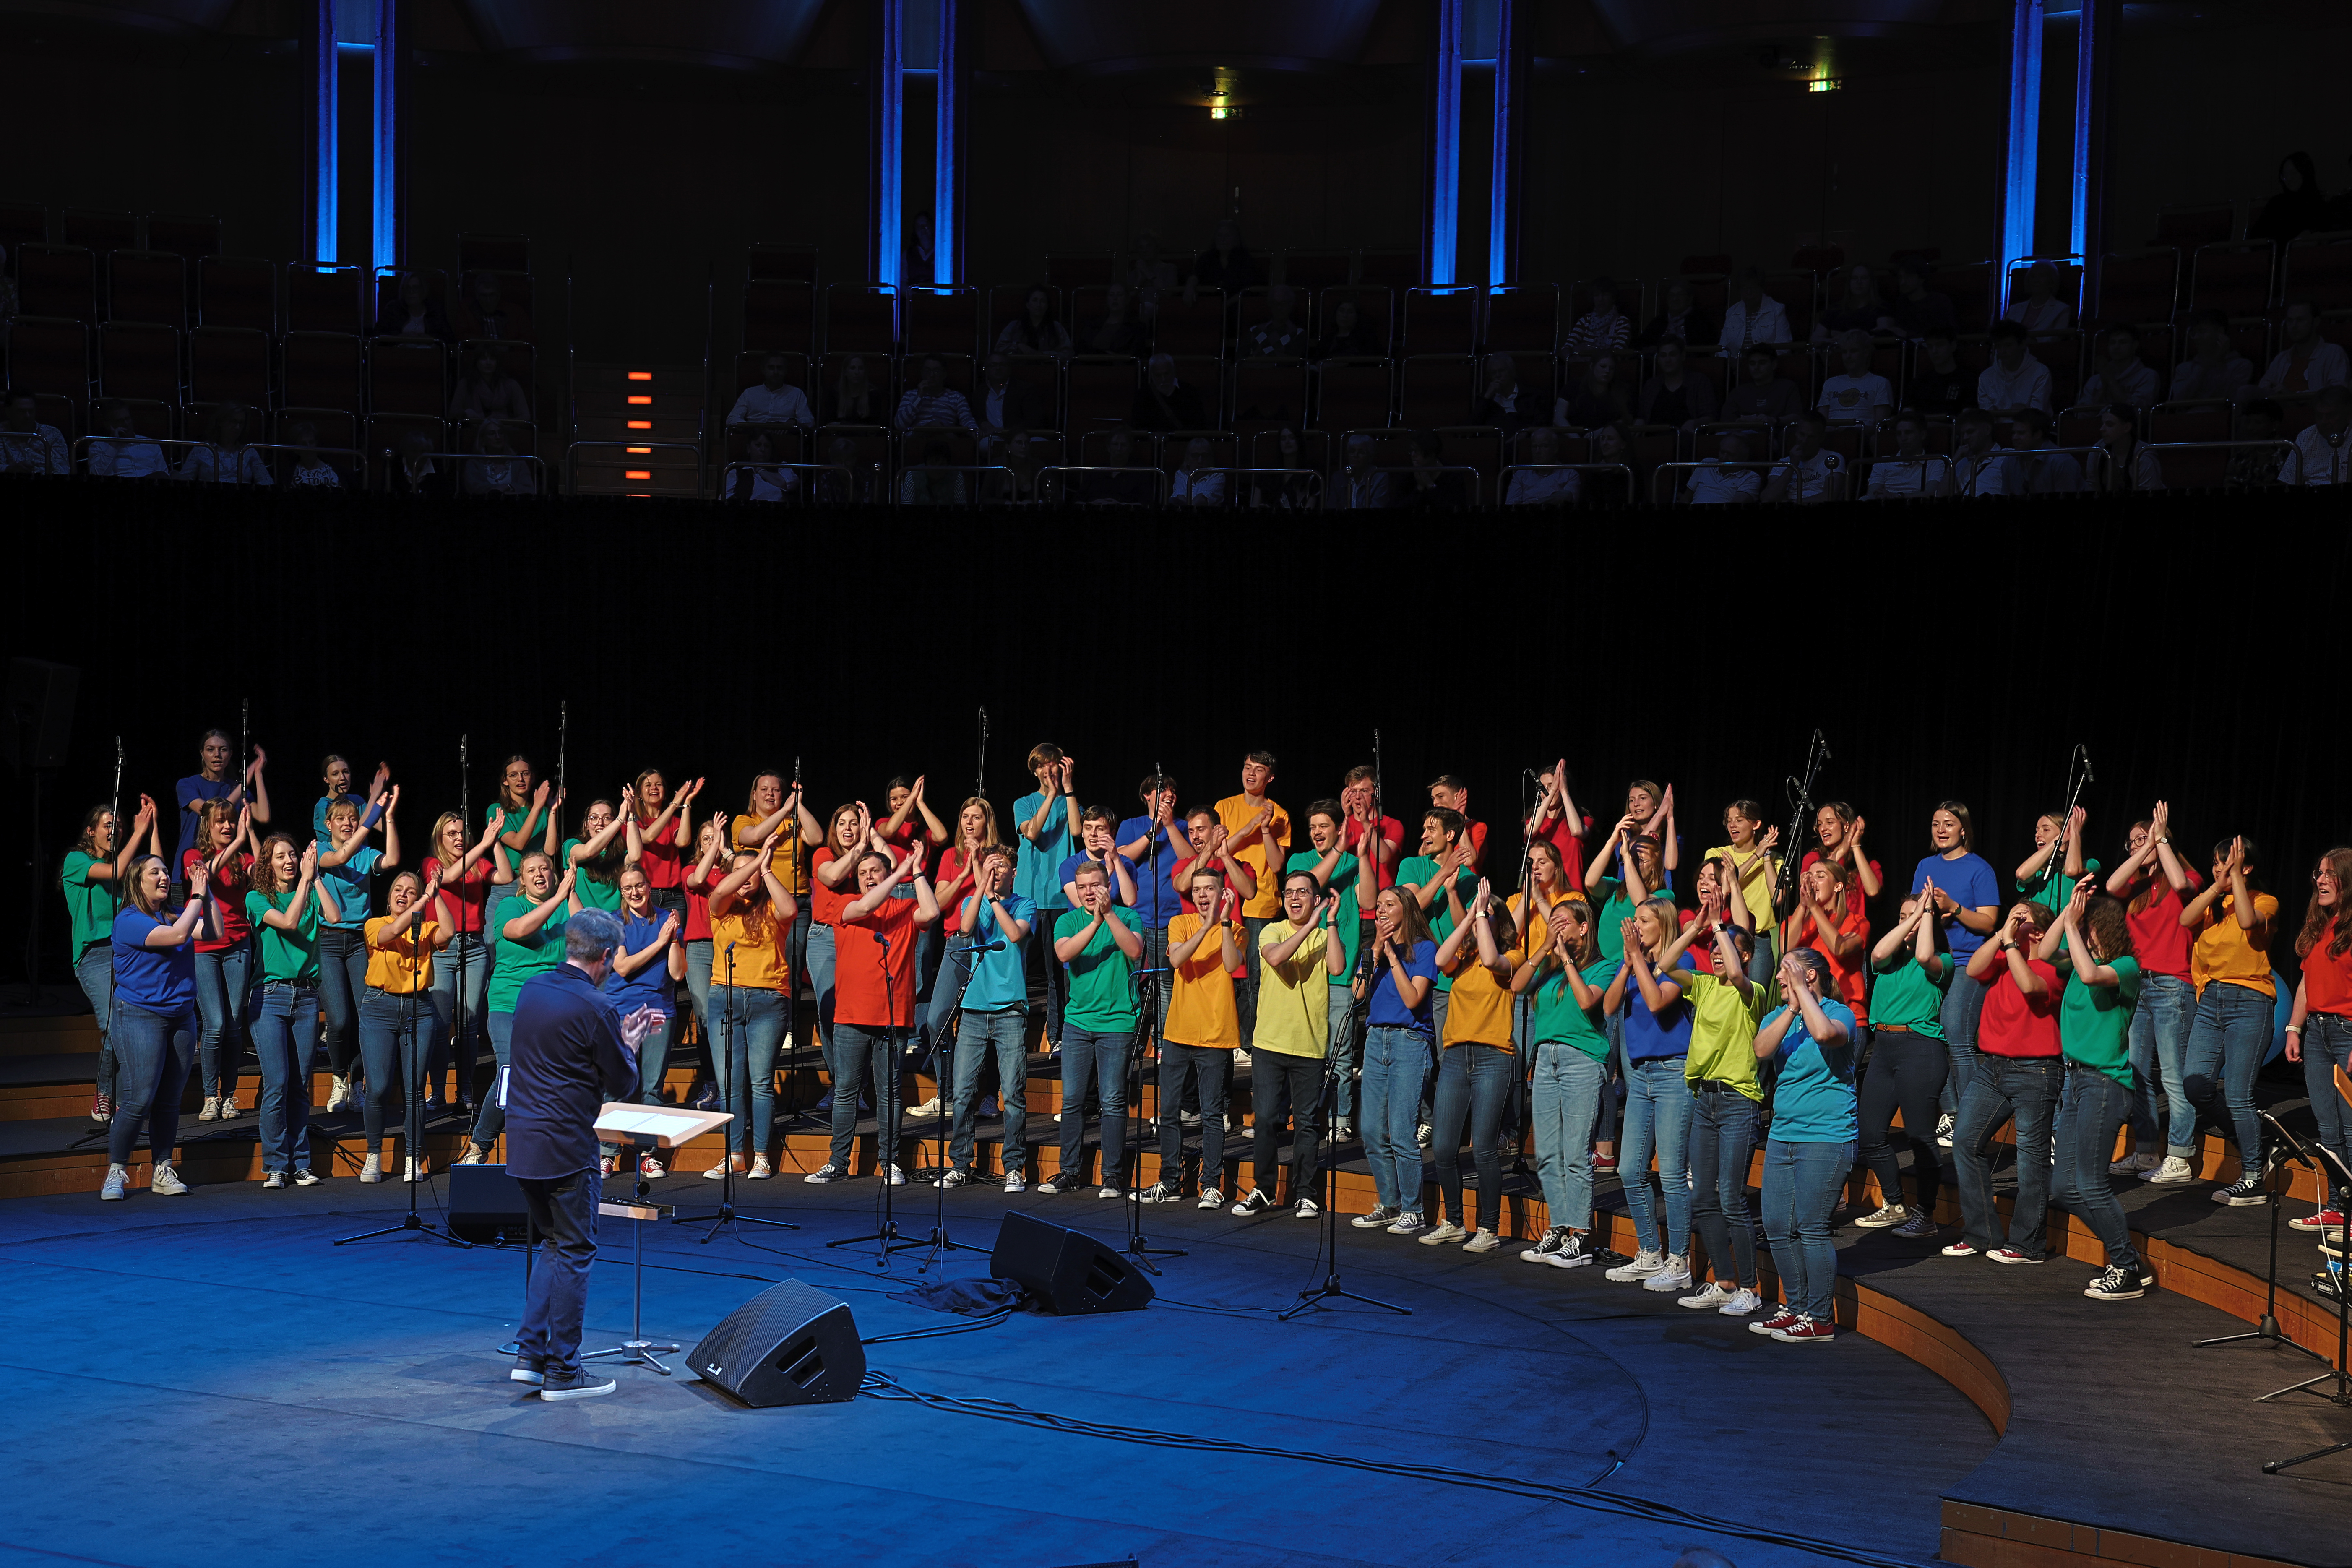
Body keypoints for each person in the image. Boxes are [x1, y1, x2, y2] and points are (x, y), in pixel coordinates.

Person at [503, 907, 659, 1402]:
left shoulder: (532, 990)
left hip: (524, 1142)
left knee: (554, 1245)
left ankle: (531, 1357)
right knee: (574, 1251)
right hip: (567, 1147)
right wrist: (628, 1043)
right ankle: (564, 1372)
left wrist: (616, 1037)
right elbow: (623, 1082)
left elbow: (558, 1058)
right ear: (608, 956)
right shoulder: (596, 1008)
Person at [2043, 885, 2149, 1300]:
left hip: (2105, 1084)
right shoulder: (2075, 962)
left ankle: (2125, 1267)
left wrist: (2073, 921)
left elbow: (2091, 974)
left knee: (2089, 1183)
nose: (2079, 936)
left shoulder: (2125, 968)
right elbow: (2043, 953)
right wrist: (2068, 913)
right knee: (2064, 1188)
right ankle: (2126, 1261)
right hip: (2076, 1082)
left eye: (2086, 929)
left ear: (2099, 929)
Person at [1657, 908, 1765, 1313]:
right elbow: (1666, 963)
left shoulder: (1751, 989)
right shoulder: (1702, 985)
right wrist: (1697, 929)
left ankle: (1749, 1290)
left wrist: (1719, 929)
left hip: (1738, 1101)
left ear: (1746, 956)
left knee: (1731, 1198)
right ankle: (1724, 1281)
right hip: (1704, 1100)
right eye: (1714, 951)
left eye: (1726, 950)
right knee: (1702, 1195)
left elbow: (1736, 976)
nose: (1717, 955)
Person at [1945, 900, 2063, 1263]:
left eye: (2021, 918)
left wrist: (2011, 945)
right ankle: (1980, 1234)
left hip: (2035, 1070)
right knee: (1965, 1142)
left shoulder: (2054, 963)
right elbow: (1973, 970)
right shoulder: (2000, 956)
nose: (2013, 920)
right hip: (1992, 1068)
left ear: (2040, 932)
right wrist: (2001, 937)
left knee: (2031, 1159)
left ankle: (2028, 1245)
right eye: (2011, 915)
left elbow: (2030, 988)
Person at [1750, 948, 1858, 1344]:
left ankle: (1819, 1319)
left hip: (1826, 1137)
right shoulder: (1780, 1016)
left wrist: (1805, 998)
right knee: (1778, 1227)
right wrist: (1792, 1008)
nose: (1778, 978)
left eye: (1786, 971)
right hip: (1782, 1135)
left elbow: (1827, 1035)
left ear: (1810, 975)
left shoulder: (1837, 1013)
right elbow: (1761, 1050)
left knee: (1811, 1228)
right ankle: (1795, 1308)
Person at [99, 853, 216, 1201]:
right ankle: (116, 1170)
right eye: (156, 872)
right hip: (139, 1014)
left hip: (180, 1015)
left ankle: (162, 1168)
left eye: (166, 871)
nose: (164, 876)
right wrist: (196, 895)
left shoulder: (174, 914)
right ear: (138, 881)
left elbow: (214, 931)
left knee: (169, 1100)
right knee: (139, 1097)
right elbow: (178, 936)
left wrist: (206, 893)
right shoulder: (129, 921)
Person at [823, 844, 940, 1188]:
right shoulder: (845, 905)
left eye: (875, 871)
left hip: (892, 1015)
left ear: (887, 875)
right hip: (851, 1015)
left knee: (890, 1093)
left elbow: (931, 912)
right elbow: (868, 906)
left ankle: (890, 1164)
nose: (869, 877)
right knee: (845, 1092)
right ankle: (837, 1162)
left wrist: (917, 871)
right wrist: (903, 870)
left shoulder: (905, 909)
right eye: (863, 873)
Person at [2102, 803, 2202, 1185]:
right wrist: (2146, 848)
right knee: (2138, 1073)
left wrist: (2159, 839)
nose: (2134, 848)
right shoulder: (2137, 888)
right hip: (2138, 986)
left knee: (2174, 1076)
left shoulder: (2184, 875)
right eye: (2130, 844)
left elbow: (2181, 885)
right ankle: (2145, 1152)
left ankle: (2179, 1156)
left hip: (2172, 985)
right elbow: (2111, 886)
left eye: (2140, 841)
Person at [1135, 869, 1247, 1206]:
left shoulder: (1236, 929)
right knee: (1168, 1111)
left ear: (1221, 892)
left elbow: (1230, 965)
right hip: (1178, 1031)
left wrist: (1222, 923)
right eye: (1197, 889)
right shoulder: (1181, 924)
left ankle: (1210, 1184)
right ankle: (1169, 1182)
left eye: (1208, 889)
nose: (1201, 895)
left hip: (1215, 1033)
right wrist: (1205, 924)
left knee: (1212, 1113)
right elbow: (1178, 958)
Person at [1418, 877, 1519, 1251]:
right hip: (1457, 1056)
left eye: (1487, 913)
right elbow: (1440, 960)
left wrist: (1483, 916)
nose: (1481, 917)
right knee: (1443, 1148)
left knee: (1483, 1150)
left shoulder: (1513, 954)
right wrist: (1470, 917)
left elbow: (1493, 959)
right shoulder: (1462, 958)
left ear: (1499, 920)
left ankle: (1488, 1229)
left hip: (1494, 1057)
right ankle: (1455, 1221)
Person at [1513, 897, 1614, 1268]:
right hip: (1545, 1059)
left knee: (1575, 1153)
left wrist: (1568, 960)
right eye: (1551, 922)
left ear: (1583, 928)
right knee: (1547, 1154)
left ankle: (1580, 1235)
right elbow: (1517, 984)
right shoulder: (1550, 969)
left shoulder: (1603, 967)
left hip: (1581, 1061)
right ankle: (1558, 1227)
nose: (1555, 928)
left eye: (1563, 922)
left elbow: (1589, 1003)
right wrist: (1543, 948)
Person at [1602, 896, 1696, 1289]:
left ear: (1664, 925)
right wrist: (1626, 965)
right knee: (1629, 1170)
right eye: (1634, 920)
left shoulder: (1682, 963)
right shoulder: (1633, 963)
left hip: (1674, 1072)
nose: (1635, 927)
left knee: (1672, 1174)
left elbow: (1657, 1003)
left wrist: (1638, 962)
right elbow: (1608, 1007)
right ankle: (1649, 1252)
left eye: (1643, 921)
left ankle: (1680, 1261)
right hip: (1639, 1076)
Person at [2181, 835, 2277, 1207]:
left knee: (2239, 1095)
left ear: (2246, 868)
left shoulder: (2263, 901)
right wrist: (2215, 887)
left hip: (2249, 1002)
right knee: (2195, 1085)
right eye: (2216, 864)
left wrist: (2234, 880)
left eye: (2228, 863)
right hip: (2210, 1002)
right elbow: (2184, 919)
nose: (2219, 869)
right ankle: (2250, 1141)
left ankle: (2253, 1176)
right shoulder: (2213, 905)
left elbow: (2247, 921)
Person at [461, 851, 573, 1166]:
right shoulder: (511, 905)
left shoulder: (564, 906)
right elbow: (520, 930)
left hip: (550, 1009)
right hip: (509, 1004)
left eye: (546, 869)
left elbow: (586, 935)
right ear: (521, 880)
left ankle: (543, 1149)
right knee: (512, 1070)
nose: (540, 874)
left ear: (554, 875)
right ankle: (480, 1145)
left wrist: (571, 892)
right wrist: (559, 898)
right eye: (531, 870)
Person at [935, 845, 1034, 1192]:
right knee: (962, 1093)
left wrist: (994, 898)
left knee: (1014, 1093)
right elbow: (964, 929)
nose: (996, 872)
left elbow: (1015, 935)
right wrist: (981, 887)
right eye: (991, 866)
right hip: (974, 1011)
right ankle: (960, 1164)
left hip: (1009, 1010)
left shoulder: (1024, 904)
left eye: (1002, 866)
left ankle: (1014, 1167)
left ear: (1013, 872)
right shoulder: (971, 902)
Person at [1043, 856, 1144, 1197]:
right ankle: (1069, 1172)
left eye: (1095, 886)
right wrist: (1095, 921)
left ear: (1108, 886)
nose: (1089, 892)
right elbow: (1064, 954)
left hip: (1117, 1022)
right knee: (1071, 1100)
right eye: (1082, 887)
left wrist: (1109, 915)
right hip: (1078, 1023)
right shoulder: (1068, 920)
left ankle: (1113, 1176)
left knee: (1113, 1100)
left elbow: (1134, 950)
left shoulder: (1128, 916)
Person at [1853, 890, 1951, 1237]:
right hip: (1883, 1048)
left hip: (1920, 1048)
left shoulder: (1941, 960)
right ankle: (1895, 1204)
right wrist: (1915, 915)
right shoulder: (1888, 959)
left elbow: (1924, 954)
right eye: (1901, 916)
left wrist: (1926, 914)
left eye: (1918, 915)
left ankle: (1925, 1214)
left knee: (1920, 1136)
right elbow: (1878, 951)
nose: (1908, 922)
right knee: (1870, 1134)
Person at [247, 834, 339, 1186]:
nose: (289, 860)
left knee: (300, 1084)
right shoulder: (257, 898)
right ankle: (275, 1165)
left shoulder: (311, 889)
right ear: (268, 864)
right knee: (278, 1084)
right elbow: (287, 922)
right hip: (270, 996)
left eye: (294, 854)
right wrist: (304, 881)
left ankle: (301, 1162)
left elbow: (334, 915)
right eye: (281, 856)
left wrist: (314, 878)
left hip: (305, 997)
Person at [1285, 801, 1375, 1155]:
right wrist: (1339, 849)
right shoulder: (1300, 862)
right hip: (1305, 974)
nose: (1317, 832)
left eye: (1324, 825)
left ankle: (1340, 1122)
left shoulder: (1352, 863)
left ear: (1339, 828)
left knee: (1338, 1053)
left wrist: (1363, 856)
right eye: (1313, 827)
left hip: (1339, 977)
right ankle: (1308, 1118)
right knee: (1306, 1052)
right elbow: (1309, 885)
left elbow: (1367, 900)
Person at [703, 839, 797, 1179]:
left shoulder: (771, 906)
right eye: (741, 871)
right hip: (724, 998)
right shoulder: (722, 907)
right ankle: (733, 1155)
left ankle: (760, 1156)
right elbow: (717, 892)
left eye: (753, 872)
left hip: (767, 1000)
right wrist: (751, 863)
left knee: (760, 1083)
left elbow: (791, 911)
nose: (748, 876)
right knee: (729, 1085)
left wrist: (767, 868)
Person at [1348, 885, 1438, 1234]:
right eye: (1379, 906)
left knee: (1402, 1131)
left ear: (1407, 911)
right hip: (1375, 1039)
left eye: (1390, 905)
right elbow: (1357, 996)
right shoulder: (1372, 952)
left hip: (1408, 1041)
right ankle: (1390, 1203)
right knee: (1371, 1130)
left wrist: (1393, 956)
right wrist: (1374, 952)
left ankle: (1413, 1210)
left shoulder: (1424, 949)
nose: (1381, 910)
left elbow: (1414, 998)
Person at [1913, 800, 2002, 1138]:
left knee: (1958, 1036)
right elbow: (1915, 911)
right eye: (1936, 824)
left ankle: (1972, 1118)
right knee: (1932, 1036)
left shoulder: (1979, 868)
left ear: (1963, 829)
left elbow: (1989, 922)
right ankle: (1952, 1112)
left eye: (1948, 824)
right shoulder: (1925, 865)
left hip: (1969, 962)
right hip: (1934, 959)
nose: (1940, 830)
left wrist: (1954, 907)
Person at [359, 867, 447, 1183]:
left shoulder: (426, 928)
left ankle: (413, 1157)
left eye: (411, 891)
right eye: (399, 889)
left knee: (415, 1090)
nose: (404, 894)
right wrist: (423, 898)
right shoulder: (375, 924)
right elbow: (391, 933)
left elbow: (447, 934)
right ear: (389, 897)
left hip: (419, 1007)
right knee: (379, 1087)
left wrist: (437, 898)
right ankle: (373, 1155)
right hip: (378, 1007)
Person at [596, 865, 686, 1177]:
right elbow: (622, 967)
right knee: (617, 1085)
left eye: (639, 885)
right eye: (628, 888)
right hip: (622, 1011)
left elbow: (677, 973)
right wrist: (660, 943)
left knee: (652, 1087)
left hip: (658, 1010)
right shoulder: (614, 922)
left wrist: (673, 939)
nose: (634, 892)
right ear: (622, 892)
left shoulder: (667, 920)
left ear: (650, 886)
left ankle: (649, 1153)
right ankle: (608, 1152)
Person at [65, 799, 148, 1124]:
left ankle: (130, 1096)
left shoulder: (125, 867)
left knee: (135, 1024)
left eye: (120, 826)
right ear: (91, 832)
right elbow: (114, 872)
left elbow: (150, 869)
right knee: (114, 1026)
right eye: (108, 826)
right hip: (95, 955)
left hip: (127, 951)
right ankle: (105, 1092)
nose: (115, 831)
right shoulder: (76, 860)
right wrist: (138, 832)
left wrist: (149, 829)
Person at [423, 806, 509, 1115]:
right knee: (440, 1025)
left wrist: (495, 840)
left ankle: (465, 1091)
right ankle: (436, 1092)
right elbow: (450, 876)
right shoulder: (431, 863)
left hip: (474, 948)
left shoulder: (477, 862)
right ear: (440, 838)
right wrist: (483, 844)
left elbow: (506, 876)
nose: (459, 838)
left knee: (469, 1024)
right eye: (452, 834)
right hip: (443, 949)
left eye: (462, 833)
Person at [2285, 847, 2352, 1233]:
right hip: (2317, 1035)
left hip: (2347, 1033)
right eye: (2319, 873)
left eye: (2330, 874)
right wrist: (2294, 1029)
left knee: (2350, 1128)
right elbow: (2307, 984)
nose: (2320, 880)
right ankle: (2336, 1207)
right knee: (2327, 1130)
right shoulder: (2319, 925)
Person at [316, 790, 396, 1112]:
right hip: (328, 940)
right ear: (328, 824)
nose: (348, 824)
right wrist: (372, 814)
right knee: (338, 1021)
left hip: (360, 940)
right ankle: (339, 1080)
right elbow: (338, 859)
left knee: (368, 1016)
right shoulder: (320, 849)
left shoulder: (365, 853)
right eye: (341, 819)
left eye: (353, 819)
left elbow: (390, 860)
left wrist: (387, 818)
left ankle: (358, 1084)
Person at [183, 800, 256, 1120]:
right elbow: (207, 876)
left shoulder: (244, 858)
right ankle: (210, 1095)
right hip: (205, 949)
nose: (227, 827)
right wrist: (239, 840)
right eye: (221, 822)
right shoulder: (193, 856)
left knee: (234, 1024)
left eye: (231, 822)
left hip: (238, 945)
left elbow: (265, 874)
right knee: (214, 1024)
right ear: (208, 826)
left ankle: (229, 1097)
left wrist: (250, 833)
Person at [1214, 751, 1290, 1048]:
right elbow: (1219, 849)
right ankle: (1230, 1038)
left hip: (1261, 905)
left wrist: (1266, 828)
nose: (1251, 774)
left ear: (1269, 778)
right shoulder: (1224, 806)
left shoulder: (1279, 813)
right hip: (1225, 899)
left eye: (1258, 770)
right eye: (1247, 767)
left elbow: (1276, 864)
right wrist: (1248, 830)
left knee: (1256, 979)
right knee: (1228, 973)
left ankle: (1253, 1042)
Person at [2258, 300, 2351, 397]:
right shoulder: (2281, 358)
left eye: (2300, 320)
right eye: (2290, 320)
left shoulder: (2333, 353)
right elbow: (2263, 388)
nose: (2294, 326)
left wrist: (2293, 397)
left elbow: (2337, 392)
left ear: (2316, 322)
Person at [2166, 308, 2254, 403]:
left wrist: (2220, 361)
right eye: (2193, 333)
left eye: (2202, 332)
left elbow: (2228, 401)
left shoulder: (2242, 366)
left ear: (2220, 333)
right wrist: (2204, 367)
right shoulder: (2184, 369)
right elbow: (2178, 401)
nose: (2196, 338)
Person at [178, 402, 273, 486]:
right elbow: (185, 482)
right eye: (233, 422)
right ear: (220, 422)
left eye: (241, 423)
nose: (238, 427)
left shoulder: (249, 451)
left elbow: (266, 481)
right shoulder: (202, 449)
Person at [1763, 412, 1847, 503]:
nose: (1805, 441)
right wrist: (1792, 466)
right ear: (1796, 434)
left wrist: (1793, 505)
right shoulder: (1783, 463)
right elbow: (1767, 499)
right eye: (1802, 435)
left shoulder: (1832, 459)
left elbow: (1830, 496)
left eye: (1811, 437)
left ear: (1822, 438)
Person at [1864, 410, 1950, 498]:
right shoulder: (1883, 463)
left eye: (1908, 433)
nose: (1903, 438)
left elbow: (1931, 495)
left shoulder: (1935, 462)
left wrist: (1895, 497)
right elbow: (1873, 495)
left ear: (1923, 435)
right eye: (1899, 434)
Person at [1816, 330, 1893, 425]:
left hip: (1863, 436)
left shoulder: (1880, 383)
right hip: (1831, 435)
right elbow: (1820, 423)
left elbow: (1880, 426)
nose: (1848, 357)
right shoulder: (1831, 383)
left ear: (1866, 353)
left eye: (1854, 351)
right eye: (1844, 352)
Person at [1978, 321, 2053, 417]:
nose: (2002, 351)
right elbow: (1987, 419)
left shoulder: (2040, 373)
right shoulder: (1986, 377)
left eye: (2008, 346)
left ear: (2022, 344)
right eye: (1998, 346)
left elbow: (2037, 417)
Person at [2252, 151, 2329, 245]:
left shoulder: (2317, 204)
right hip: (2271, 254)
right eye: (2285, 175)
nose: (2289, 179)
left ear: (2305, 173)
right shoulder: (2276, 202)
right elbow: (2257, 233)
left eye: (2293, 173)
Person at [2282, 384, 2352, 485]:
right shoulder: (2306, 436)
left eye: (2331, 415)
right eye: (2319, 416)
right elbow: (2288, 481)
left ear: (2348, 414)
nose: (2324, 421)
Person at [725, 352, 815, 429]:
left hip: (785, 435)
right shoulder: (749, 393)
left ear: (786, 371)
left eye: (780, 368)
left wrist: (794, 422)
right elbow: (732, 419)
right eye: (771, 368)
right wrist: (750, 427)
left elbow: (809, 421)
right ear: (763, 370)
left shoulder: (797, 394)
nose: (776, 372)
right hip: (754, 435)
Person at [1722, 344, 1804, 426]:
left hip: (1777, 434)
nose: (1756, 368)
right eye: (1752, 364)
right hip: (1742, 435)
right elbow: (1726, 422)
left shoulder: (1788, 387)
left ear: (1774, 365)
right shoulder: (1738, 392)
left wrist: (1774, 420)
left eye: (1762, 363)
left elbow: (1796, 416)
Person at [2080, 325, 2158, 411]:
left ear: (2135, 346)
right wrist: (2103, 388)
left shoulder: (2147, 376)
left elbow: (2134, 411)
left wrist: (2110, 380)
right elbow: (2082, 415)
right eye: (2113, 343)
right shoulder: (2095, 380)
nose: (2117, 347)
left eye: (2123, 343)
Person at [974, 352, 1042, 450]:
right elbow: (976, 416)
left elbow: (1033, 420)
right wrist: (982, 423)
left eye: (1002, 365)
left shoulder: (1025, 389)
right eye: (993, 365)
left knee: (1040, 442)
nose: (998, 368)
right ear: (987, 369)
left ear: (1009, 368)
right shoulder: (980, 392)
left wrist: (1006, 431)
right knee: (985, 444)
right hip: (994, 438)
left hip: (1022, 436)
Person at [87, 399, 169, 479]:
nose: (126, 424)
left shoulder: (151, 444)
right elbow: (96, 475)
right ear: (109, 425)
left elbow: (165, 475)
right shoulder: (98, 446)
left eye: (128, 419)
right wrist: (113, 447)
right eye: (120, 421)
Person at [2008, 408, 2084, 493]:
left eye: (2021, 433)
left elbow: (2066, 504)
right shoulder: (2009, 461)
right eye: (2013, 433)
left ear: (2038, 434)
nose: (2014, 438)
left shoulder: (2063, 462)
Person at [1718, 267, 1792, 352]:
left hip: (1766, 363)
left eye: (1753, 288)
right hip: (1737, 363)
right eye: (1745, 289)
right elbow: (1723, 347)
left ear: (1761, 288)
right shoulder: (1732, 312)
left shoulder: (1777, 310)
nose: (1749, 293)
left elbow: (1784, 347)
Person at [893, 356, 977, 432]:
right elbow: (900, 425)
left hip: (946, 439)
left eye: (936, 371)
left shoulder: (957, 397)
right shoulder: (910, 395)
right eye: (927, 371)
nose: (932, 375)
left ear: (944, 374)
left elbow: (968, 420)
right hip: (918, 440)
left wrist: (975, 431)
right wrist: (919, 397)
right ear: (922, 374)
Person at [1952, 407, 2022, 496]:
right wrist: (1954, 461)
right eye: (1963, 434)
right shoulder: (1961, 463)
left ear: (1987, 430)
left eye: (1970, 432)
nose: (1965, 438)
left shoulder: (2007, 456)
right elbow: (1942, 495)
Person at [451, 347, 532, 424]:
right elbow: (454, 412)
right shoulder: (466, 383)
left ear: (498, 362)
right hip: (474, 428)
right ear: (476, 362)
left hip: (504, 430)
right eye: (483, 359)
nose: (488, 363)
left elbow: (525, 416)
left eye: (492, 359)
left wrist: (505, 424)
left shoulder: (511, 385)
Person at [1505, 426, 1581, 507]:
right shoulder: (1521, 474)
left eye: (1544, 446)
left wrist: (1534, 505)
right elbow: (1511, 506)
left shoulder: (1570, 474)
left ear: (1555, 449)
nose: (1538, 451)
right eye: (1535, 447)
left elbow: (1566, 497)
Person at [1881, 259, 1956, 340]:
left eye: (1908, 277)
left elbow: (1948, 333)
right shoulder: (1900, 303)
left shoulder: (1940, 301)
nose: (1903, 282)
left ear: (1922, 278)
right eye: (1900, 278)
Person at [1130, 353, 1207, 431]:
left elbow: (1199, 423)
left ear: (1174, 370)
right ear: (1152, 375)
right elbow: (1138, 425)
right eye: (1158, 376)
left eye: (1166, 374)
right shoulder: (1143, 395)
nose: (1163, 379)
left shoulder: (1190, 392)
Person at [1909, 326, 1975, 416]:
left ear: (1953, 346)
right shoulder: (1919, 382)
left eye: (1940, 345)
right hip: (1922, 429)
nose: (1934, 351)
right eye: (1930, 347)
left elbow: (1968, 418)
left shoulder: (1968, 380)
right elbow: (1908, 414)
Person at [1680, 431, 1761, 504]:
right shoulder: (1707, 463)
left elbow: (1736, 507)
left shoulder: (1751, 478)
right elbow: (1687, 497)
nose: (1724, 457)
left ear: (1743, 458)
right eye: (1722, 452)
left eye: (1731, 455)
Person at [1556, 350, 1631, 429]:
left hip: (1607, 438)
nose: (1607, 371)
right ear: (1592, 366)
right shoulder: (1574, 386)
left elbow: (1625, 419)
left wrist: (1600, 433)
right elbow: (1559, 417)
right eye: (1603, 366)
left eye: (1612, 368)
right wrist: (1574, 436)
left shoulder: (1621, 391)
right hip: (1575, 436)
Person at [0, 389, 68, 475]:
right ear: (8, 412)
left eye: (31, 411)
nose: (27, 416)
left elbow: (62, 469)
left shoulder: (52, 434)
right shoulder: (2, 433)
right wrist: (9, 469)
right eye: (21, 412)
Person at [370, 271, 451, 340]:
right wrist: (399, 338)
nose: (412, 292)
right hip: (398, 352)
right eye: (408, 288)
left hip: (429, 353)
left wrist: (429, 338)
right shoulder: (394, 308)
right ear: (403, 291)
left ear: (423, 291)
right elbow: (377, 334)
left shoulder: (435, 310)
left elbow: (448, 337)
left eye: (416, 288)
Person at [462, 419, 534, 496]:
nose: (498, 437)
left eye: (501, 433)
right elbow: (475, 489)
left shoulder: (519, 462)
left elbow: (529, 489)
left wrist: (508, 487)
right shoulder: (474, 464)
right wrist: (499, 490)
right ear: (483, 440)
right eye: (492, 433)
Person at [1813, 263, 1884, 341]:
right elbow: (1815, 339)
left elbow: (1883, 338)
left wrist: (1847, 337)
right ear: (1849, 283)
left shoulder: (1881, 309)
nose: (1859, 282)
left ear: (1871, 282)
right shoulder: (1835, 310)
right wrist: (1834, 341)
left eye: (1864, 278)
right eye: (1855, 278)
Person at [1187, 219, 1258, 296]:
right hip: (1211, 301)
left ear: (1235, 239)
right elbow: (1196, 274)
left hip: (1237, 303)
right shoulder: (1207, 257)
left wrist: (1228, 304)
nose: (1223, 240)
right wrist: (1190, 286)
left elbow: (1248, 288)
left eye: (1227, 236)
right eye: (1219, 236)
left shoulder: (1245, 259)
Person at [995, 285, 1071, 356]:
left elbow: (1068, 353)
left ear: (1047, 306)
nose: (1039, 305)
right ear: (1028, 304)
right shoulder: (1014, 326)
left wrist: (1042, 355)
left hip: (1048, 368)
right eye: (1035, 300)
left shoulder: (1056, 327)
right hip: (1018, 367)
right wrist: (1018, 346)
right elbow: (999, 349)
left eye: (1043, 301)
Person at [1638, 279, 1714, 350]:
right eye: (1671, 295)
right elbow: (1642, 345)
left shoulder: (1701, 322)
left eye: (1680, 295)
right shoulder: (1658, 322)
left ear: (1690, 299)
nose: (1675, 299)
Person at [1563, 279, 1632, 355]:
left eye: (1605, 295)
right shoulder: (1586, 320)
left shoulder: (1622, 322)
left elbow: (1618, 352)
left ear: (1613, 298)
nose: (1600, 299)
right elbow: (1567, 347)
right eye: (1597, 295)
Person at [728, 429, 795, 503]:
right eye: (758, 445)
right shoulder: (736, 470)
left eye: (767, 446)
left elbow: (788, 484)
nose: (763, 449)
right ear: (749, 449)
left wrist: (762, 471)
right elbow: (726, 498)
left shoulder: (782, 466)